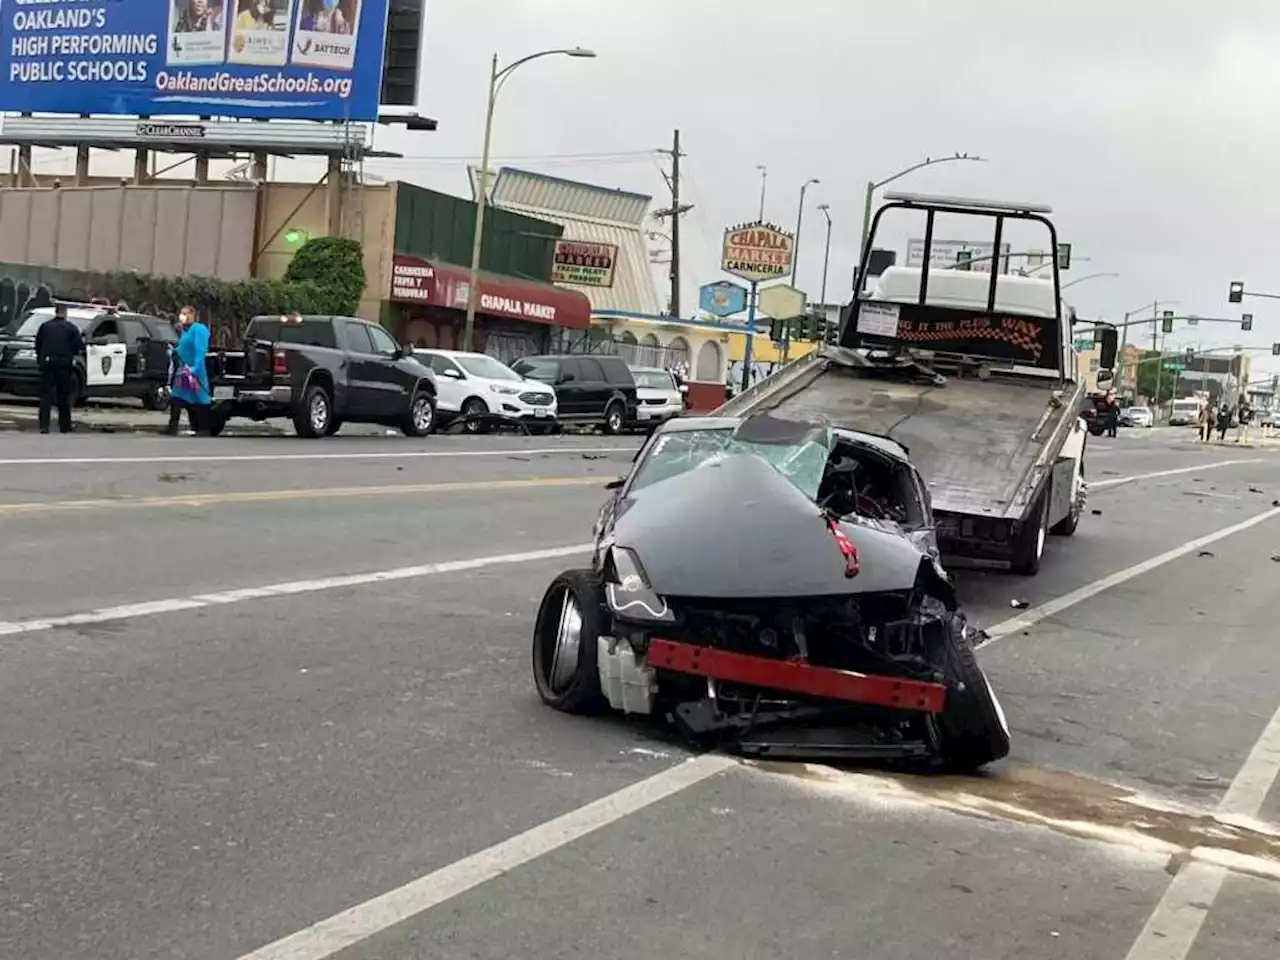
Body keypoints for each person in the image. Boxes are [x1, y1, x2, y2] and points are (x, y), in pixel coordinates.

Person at [34, 303, 85, 434]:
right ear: (65, 313)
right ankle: (65, 426)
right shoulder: (71, 328)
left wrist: (41, 359)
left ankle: (43, 426)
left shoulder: (45, 327)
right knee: (63, 395)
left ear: (55, 312)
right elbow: (79, 346)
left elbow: (38, 344)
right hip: (64, 364)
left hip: (48, 363)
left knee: (46, 395)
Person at [169, 307, 212, 434]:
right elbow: (183, 347)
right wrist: (174, 351)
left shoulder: (198, 329)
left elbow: (200, 350)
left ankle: (203, 428)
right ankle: (172, 427)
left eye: (185, 313)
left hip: (194, 370)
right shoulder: (185, 331)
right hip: (184, 369)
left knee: (199, 397)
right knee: (177, 396)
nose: (182, 316)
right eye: (181, 314)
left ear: (193, 315)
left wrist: (195, 368)